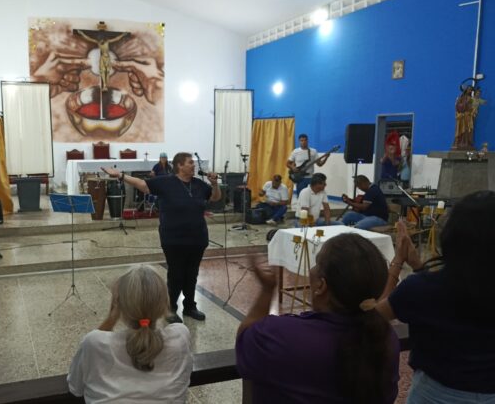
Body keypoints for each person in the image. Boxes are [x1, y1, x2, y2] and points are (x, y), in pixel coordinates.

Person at [236, 234, 400, 403]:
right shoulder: (386, 338)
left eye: (317, 262)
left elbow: (245, 337)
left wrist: (267, 290)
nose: (311, 269)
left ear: (321, 286)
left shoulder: (282, 336)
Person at [377, 191, 495, 403]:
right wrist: (417, 265)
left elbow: (373, 317)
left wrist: (398, 261)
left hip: (436, 395)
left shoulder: (422, 290)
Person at [102, 152, 221, 323]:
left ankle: (189, 306)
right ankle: (170, 308)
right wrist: (120, 175)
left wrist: (215, 184)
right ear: (179, 165)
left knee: (192, 273)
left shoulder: (199, 185)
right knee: (176, 274)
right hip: (173, 238)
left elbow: (215, 197)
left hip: (197, 237)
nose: (194, 166)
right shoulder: (166, 182)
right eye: (190, 163)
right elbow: (143, 185)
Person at [67, 265, 193, 403]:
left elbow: (75, 388)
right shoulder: (180, 337)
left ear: (117, 304)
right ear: (164, 304)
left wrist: (111, 318)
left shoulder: (94, 343)